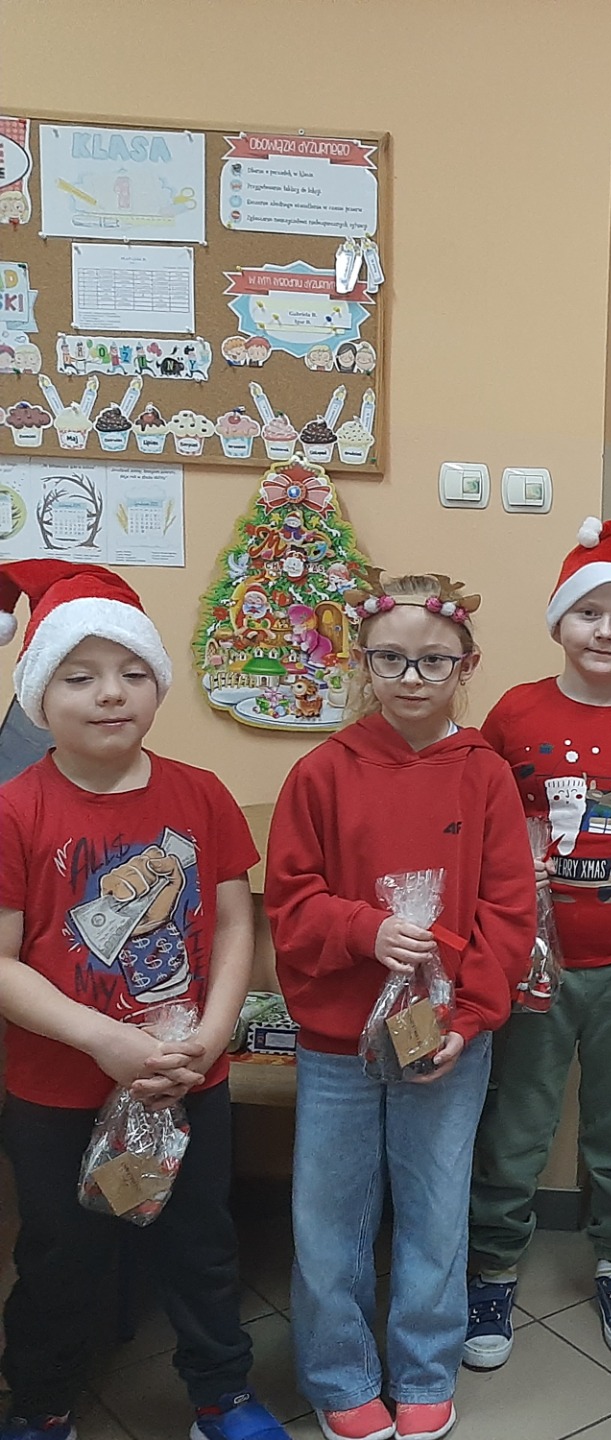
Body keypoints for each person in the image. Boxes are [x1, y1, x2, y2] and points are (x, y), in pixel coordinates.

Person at [0, 562, 292, 1440]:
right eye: (79, 676)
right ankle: (42, 1402)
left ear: (159, 686)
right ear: (37, 694)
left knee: (203, 1246)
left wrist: (213, 1033)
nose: (109, 694)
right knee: (59, 1254)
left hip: (188, 1079)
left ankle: (221, 1396)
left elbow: (235, 925)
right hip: (57, 1090)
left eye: (132, 672)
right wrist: (102, 1041)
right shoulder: (15, 810)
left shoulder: (198, 794)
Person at [268, 570, 535, 1440]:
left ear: (467, 665)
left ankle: (425, 1367)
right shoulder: (321, 773)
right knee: (328, 1215)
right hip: (336, 1041)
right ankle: (341, 1375)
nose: (412, 677)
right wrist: (365, 930)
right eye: (391, 659)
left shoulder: (484, 776)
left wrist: (469, 1018)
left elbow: (508, 912)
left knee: (434, 1207)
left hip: (445, 1040)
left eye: (433, 660)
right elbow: (290, 905)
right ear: (363, 662)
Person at [463, 519, 611, 1371]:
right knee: (517, 1122)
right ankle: (493, 1266)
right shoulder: (514, 713)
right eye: (589, 613)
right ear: (559, 618)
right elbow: (478, 826)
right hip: (530, 964)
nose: (606, 633)